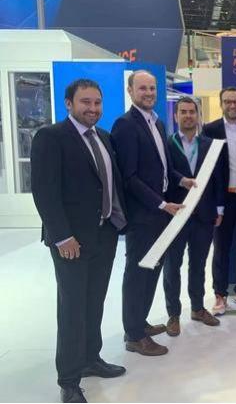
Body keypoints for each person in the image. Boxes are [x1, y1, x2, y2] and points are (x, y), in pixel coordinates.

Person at [31, 79, 127, 403]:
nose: (93, 108)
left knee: (94, 302)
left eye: (97, 102)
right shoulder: (51, 137)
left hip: (103, 234)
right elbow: (44, 192)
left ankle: (90, 358)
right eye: (86, 102)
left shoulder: (104, 137)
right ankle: (69, 379)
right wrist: (62, 236)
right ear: (69, 103)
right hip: (71, 241)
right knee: (72, 308)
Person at [111, 70, 196, 356]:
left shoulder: (156, 122)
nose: (148, 93)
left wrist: (181, 181)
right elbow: (130, 177)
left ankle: (140, 323)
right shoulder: (125, 125)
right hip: (142, 216)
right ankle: (134, 336)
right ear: (130, 90)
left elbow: (162, 167)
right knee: (138, 274)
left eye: (152, 88)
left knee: (152, 271)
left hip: (158, 214)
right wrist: (161, 204)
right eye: (142, 88)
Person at [162, 97, 224, 337]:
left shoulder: (209, 145)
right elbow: (163, 176)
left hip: (204, 214)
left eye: (192, 112)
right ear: (175, 116)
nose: (188, 116)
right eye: (183, 112)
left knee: (198, 264)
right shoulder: (166, 145)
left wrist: (219, 209)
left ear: (198, 116)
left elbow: (218, 177)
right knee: (172, 266)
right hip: (176, 215)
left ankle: (197, 308)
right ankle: (173, 314)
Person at [203, 87, 236, 315]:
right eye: (228, 101)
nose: (232, 105)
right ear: (221, 104)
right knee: (221, 248)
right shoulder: (210, 130)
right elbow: (209, 170)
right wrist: (215, 204)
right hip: (223, 200)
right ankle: (220, 294)